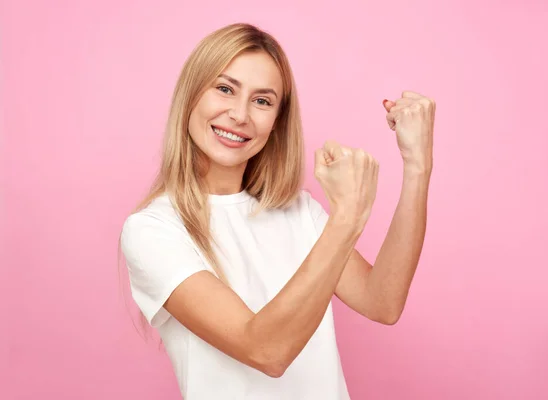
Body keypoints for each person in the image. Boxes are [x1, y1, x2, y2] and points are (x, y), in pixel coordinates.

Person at [119, 22, 435, 400]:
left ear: (276, 122)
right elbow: (266, 351)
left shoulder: (298, 211)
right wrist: (347, 217)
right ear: (190, 97)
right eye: (224, 89)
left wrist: (417, 165)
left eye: (262, 101)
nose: (240, 114)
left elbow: (382, 302)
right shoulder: (152, 230)